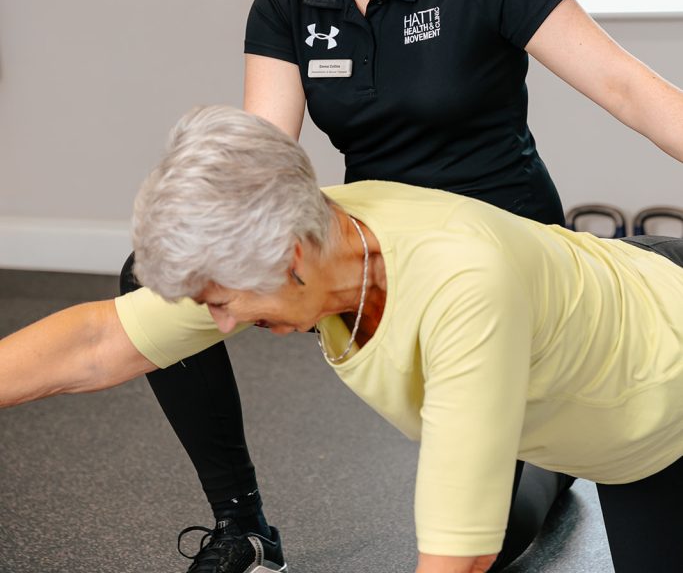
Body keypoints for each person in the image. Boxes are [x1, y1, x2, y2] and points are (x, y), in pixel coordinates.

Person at [121, 0, 683, 573]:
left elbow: (631, 89)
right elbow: (260, 168)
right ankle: (241, 524)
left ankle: (555, 454)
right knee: (145, 276)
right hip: (386, 261)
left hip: (507, 262)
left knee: (501, 535)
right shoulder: (287, 2)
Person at [3, 106, 683, 573]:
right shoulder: (307, 229)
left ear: (290, 258)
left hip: (662, 389)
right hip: (582, 354)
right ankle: (544, 458)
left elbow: (455, 556)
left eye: (220, 303)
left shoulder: (459, 288)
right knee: (509, 477)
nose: (219, 325)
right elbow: (96, 341)